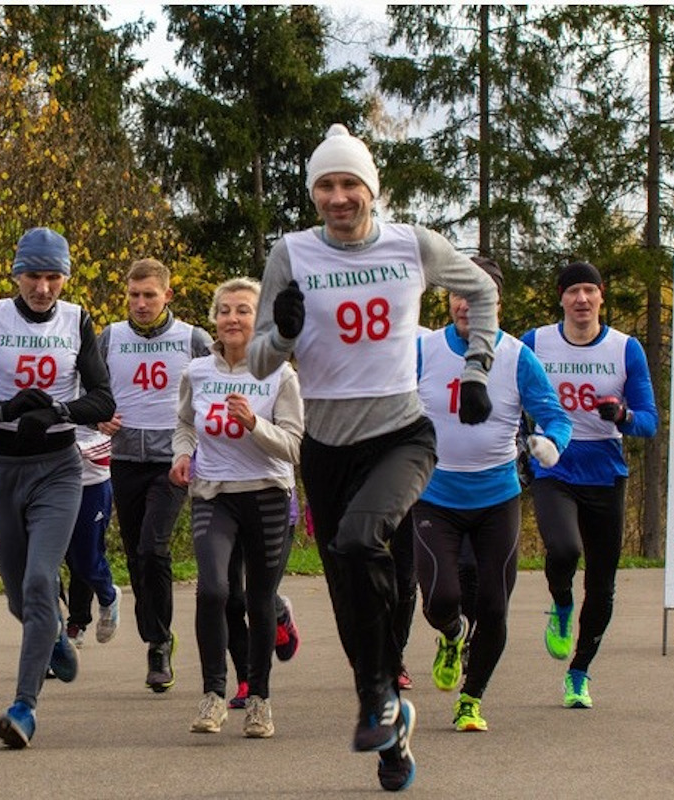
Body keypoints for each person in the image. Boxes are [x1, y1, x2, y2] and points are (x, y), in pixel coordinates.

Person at [249, 124, 499, 792]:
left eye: (349, 184)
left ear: (371, 189)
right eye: (326, 185)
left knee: (363, 542)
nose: (338, 196)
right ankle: (388, 718)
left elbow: (480, 291)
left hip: (400, 435)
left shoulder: (411, 244)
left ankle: (384, 691)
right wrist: (286, 332)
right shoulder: (291, 254)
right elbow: (256, 359)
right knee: (348, 597)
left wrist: (478, 368)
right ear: (314, 193)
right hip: (326, 451)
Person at [0, 226, 115, 748]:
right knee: (21, 601)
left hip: (58, 469)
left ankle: (24, 708)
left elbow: (102, 402)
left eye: (54, 276)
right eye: (34, 275)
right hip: (0, 471)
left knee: (39, 582)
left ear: (65, 279)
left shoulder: (77, 321)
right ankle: (52, 633)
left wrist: (57, 409)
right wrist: (2, 411)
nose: (43, 287)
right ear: (16, 275)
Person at [413, 256, 571, 731]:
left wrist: (551, 443)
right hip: (435, 495)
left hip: (496, 497)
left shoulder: (518, 357)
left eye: (480, 295)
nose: (468, 304)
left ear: (497, 303)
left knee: (495, 606)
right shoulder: (424, 349)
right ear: (449, 298)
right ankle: (451, 634)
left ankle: (471, 698)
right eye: (460, 293)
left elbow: (557, 417)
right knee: (441, 599)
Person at [170, 277, 303, 738]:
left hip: (267, 493)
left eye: (243, 310)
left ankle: (260, 700)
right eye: (224, 310)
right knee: (212, 590)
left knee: (258, 599)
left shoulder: (280, 374)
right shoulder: (196, 372)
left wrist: (255, 425)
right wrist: (183, 455)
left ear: (260, 319)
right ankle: (212, 694)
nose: (232, 318)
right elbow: (185, 424)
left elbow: (294, 446)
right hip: (214, 493)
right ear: (214, 319)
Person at [522, 261, 657, 709]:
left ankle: (579, 673)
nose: (582, 299)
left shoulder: (625, 349)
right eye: (572, 291)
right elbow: (508, 393)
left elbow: (649, 422)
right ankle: (561, 605)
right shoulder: (535, 343)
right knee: (564, 551)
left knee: (602, 585)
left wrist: (623, 416)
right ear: (560, 297)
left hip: (605, 473)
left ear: (601, 297)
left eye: (590, 291)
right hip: (554, 466)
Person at [97, 258, 212, 692]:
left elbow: (217, 383)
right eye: (134, 295)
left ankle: (159, 643)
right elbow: (89, 389)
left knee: (153, 547)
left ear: (167, 295)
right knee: (133, 554)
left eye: (149, 295)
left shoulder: (192, 339)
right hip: (124, 458)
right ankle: (156, 632)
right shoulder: (110, 337)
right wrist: (98, 417)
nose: (141, 304)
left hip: (172, 459)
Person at [59, 425, 121, 649]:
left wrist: (76, 449)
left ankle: (107, 596)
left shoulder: (97, 391)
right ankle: (58, 629)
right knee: (44, 559)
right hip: (49, 483)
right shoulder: (40, 389)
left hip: (90, 483)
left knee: (84, 561)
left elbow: (112, 438)